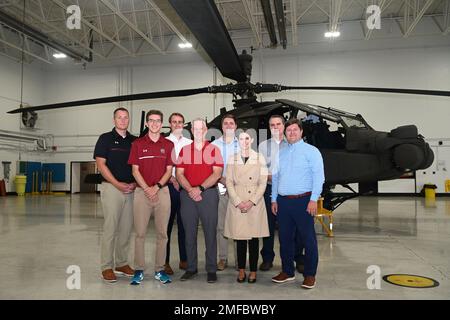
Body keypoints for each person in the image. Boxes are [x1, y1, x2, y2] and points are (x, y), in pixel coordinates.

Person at [271, 118, 324, 289]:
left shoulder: (312, 151)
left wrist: (313, 199)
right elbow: (276, 178)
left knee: (308, 239)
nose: (292, 133)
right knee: (285, 239)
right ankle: (287, 271)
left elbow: (319, 177)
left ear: (301, 132)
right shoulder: (281, 153)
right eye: (289, 130)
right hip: (283, 202)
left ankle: (310, 275)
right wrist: (273, 199)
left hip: (304, 201)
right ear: (285, 133)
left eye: (295, 130)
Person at [127, 110, 174, 285]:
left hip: (162, 192)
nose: (155, 124)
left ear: (162, 124)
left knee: (162, 234)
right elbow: (135, 170)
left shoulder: (168, 145)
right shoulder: (137, 144)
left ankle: (160, 270)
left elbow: (169, 170)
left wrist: (157, 187)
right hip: (141, 193)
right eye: (151, 121)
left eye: (158, 121)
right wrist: (147, 188)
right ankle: (139, 270)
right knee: (140, 233)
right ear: (147, 123)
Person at [176, 118, 223, 283]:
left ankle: (211, 269)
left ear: (205, 130)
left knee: (210, 233)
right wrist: (190, 190)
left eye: (200, 128)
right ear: (191, 130)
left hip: (208, 194)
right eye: (194, 128)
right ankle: (191, 268)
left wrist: (200, 189)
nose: (198, 131)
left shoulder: (214, 149)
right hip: (187, 196)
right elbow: (179, 174)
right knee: (189, 233)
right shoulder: (184, 150)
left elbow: (217, 173)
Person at [94, 107, 136, 283]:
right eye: (119, 117)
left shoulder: (134, 141)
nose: (123, 120)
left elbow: (137, 166)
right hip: (112, 188)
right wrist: (117, 184)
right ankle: (106, 266)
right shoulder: (105, 139)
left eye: (126, 117)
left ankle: (121, 263)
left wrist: (135, 183)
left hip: (131, 189)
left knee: (126, 229)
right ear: (114, 120)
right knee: (111, 228)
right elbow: (101, 165)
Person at [258, 115, 305, 272]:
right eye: (272, 125)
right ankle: (267, 258)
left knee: (293, 228)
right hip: (269, 189)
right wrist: (276, 177)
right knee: (268, 226)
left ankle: (298, 258)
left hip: (288, 192)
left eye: (278, 124)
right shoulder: (263, 146)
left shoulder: (292, 144)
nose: (275, 127)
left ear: (284, 126)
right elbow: (261, 171)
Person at [224, 130, 269, 284]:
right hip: (237, 201)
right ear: (238, 140)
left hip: (254, 202)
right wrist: (237, 200)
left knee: (254, 239)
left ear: (252, 140)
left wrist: (252, 201)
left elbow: (263, 182)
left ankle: (253, 271)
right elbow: (229, 181)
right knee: (240, 239)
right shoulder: (232, 158)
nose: (244, 141)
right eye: (241, 138)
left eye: (247, 138)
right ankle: (242, 270)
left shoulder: (260, 158)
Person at [164, 113, 192, 275]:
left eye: (180, 122)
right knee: (166, 227)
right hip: (169, 187)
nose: (177, 124)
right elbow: (162, 166)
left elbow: (192, 166)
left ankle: (184, 259)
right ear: (170, 124)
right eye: (174, 122)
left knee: (185, 226)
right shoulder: (164, 142)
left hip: (185, 188)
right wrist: (172, 178)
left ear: (183, 125)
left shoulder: (190, 143)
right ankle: (165, 261)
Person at [212, 114, 240, 271]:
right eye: (226, 124)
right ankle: (222, 258)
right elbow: (211, 169)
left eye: (231, 123)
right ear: (222, 127)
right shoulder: (214, 145)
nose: (228, 126)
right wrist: (224, 181)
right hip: (220, 187)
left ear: (235, 126)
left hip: (239, 190)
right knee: (221, 226)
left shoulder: (243, 144)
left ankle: (239, 260)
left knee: (237, 226)